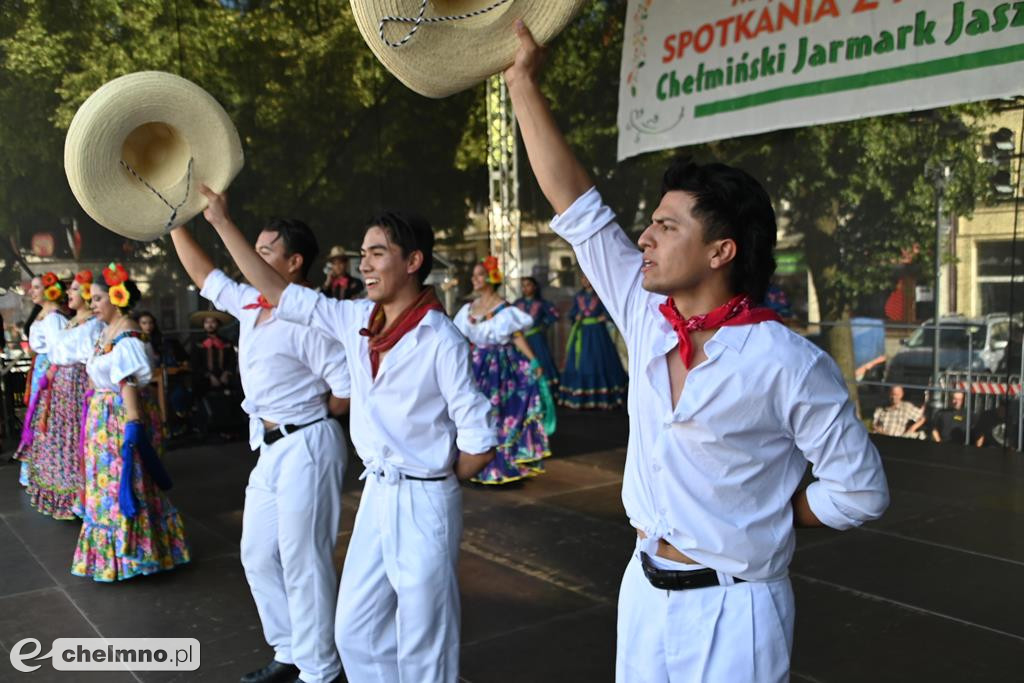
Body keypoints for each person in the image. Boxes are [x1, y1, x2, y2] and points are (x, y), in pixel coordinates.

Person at [504, 22, 889, 681]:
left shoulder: (786, 362)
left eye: (665, 225)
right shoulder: (645, 311)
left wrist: (771, 508)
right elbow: (577, 206)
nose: (645, 238)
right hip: (643, 592)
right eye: (650, 223)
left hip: (737, 610)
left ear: (721, 250)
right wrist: (521, 84)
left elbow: (862, 490)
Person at [197, 183, 497, 683]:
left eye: (378, 253)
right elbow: (279, 293)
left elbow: (479, 442)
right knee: (354, 630)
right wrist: (222, 224)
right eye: (363, 254)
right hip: (377, 492)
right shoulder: (357, 317)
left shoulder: (440, 339)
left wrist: (434, 479)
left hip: (424, 497)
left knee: (425, 639)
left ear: (414, 261)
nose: (365, 265)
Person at [171, 218, 353, 683]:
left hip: (308, 444)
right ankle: (290, 649)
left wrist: (309, 417)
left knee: (303, 560)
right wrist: (171, 223)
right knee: (256, 554)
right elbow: (205, 275)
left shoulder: (312, 318)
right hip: (269, 447)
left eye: (266, 251)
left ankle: (320, 670)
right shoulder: (252, 302)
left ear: (294, 264)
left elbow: (345, 390)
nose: (252, 258)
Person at [72, 263, 190, 581]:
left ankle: (134, 555)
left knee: (125, 482)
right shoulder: (106, 333)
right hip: (101, 418)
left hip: (117, 419)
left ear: (116, 297)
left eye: (97, 298)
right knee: (104, 485)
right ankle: (117, 556)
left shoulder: (128, 339)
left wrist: (133, 426)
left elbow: (130, 384)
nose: (92, 304)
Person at [453, 257, 550, 484]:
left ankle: (498, 465)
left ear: (490, 278)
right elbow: (458, 338)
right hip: (476, 365)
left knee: (499, 414)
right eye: (474, 275)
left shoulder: (505, 309)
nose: (474, 279)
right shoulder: (468, 309)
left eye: (479, 275)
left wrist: (534, 361)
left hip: (501, 367)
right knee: (474, 412)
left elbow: (517, 338)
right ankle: (471, 461)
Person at [25, 270, 103, 519]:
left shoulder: (94, 324)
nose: (69, 292)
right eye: (69, 289)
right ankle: (67, 497)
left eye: (76, 289)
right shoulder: (70, 322)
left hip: (78, 383)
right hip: (61, 384)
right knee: (61, 438)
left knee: (76, 437)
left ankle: (80, 497)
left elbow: (89, 357)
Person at [14, 273, 68, 487]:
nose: (31, 291)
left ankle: (44, 470)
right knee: (36, 415)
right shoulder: (42, 314)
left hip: (48, 368)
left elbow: (57, 349)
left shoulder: (54, 316)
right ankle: (35, 469)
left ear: (48, 290)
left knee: (44, 415)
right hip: (40, 367)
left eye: (36, 287)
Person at [559, 272, 628, 410]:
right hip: (583, 332)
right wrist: (575, 316)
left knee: (599, 360)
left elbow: (612, 309)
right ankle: (581, 395)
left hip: (598, 333)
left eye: (587, 277)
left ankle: (605, 396)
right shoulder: (578, 296)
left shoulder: (601, 294)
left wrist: (605, 317)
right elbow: (572, 312)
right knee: (583, 361)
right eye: (582, 277)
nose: (585, 280)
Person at [190, 310, 244, 439]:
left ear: (218, 324)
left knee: (237, 390)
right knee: (199, 388)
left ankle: (232, 426)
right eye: (207, 322)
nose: (210, 325)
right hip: (205, 377)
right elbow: (195, 363)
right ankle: (205, 426)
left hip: (224, 376)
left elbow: (232, 361)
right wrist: (209, 376)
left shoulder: (226, 342)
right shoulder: (198, 343)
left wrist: (226, 373)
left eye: (213, 322)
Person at [513, 275, 560, 385]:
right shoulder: (517, 303)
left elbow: (554, 315)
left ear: (534, 287)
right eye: (523, 286)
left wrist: (543, 325)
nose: (525, 288)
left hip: (536, 338)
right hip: (520, 339)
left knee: (541, 361)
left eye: (528, 285)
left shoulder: (542, 303)